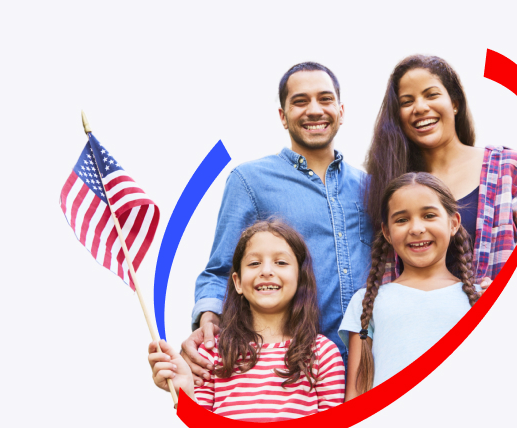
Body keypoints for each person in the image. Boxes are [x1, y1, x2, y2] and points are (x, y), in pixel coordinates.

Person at [181, 62, 373, 386]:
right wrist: (208, 319)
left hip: (370, 368)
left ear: (341, 111)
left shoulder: (370, 187)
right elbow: (220, 270)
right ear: (283, 116)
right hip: (295, 374)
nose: (314, 110)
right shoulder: (250, 181)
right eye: (300, 101)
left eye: (325, 99)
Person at [365, 55, 517, 283]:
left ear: (454, 104)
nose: (420, 107)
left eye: (431, 95)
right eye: (407, 102)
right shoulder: (390, 186)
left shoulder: (511, 170)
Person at [149, 220, 345, 421]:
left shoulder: (323, 354)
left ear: (300, 278)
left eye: (281, 262)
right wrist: (186, 394)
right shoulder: (213, 353)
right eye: (254, 263)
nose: (266, 271)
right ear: (238, 282)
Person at [339, 172, 481, 400]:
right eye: (402, 220)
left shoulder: (482, 300)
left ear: (453, 223)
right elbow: (356, 395)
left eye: (429, 215)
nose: (416, 228)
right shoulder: (366, 302)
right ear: (386, 232)